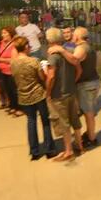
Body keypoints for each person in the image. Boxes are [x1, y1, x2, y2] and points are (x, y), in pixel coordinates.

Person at [10, 36, 57, 160]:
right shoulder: (33, 61)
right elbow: (42, 77)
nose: (30, 48)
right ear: (25, 47)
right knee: (45, 121)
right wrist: (45, 71)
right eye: (29, 46)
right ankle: (49, 149)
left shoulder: (13, 62)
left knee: (31, 122)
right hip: (38, 94)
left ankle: (34, 151)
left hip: (24, 95)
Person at [44, 28, 83, 162]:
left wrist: (47, 92)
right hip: (71, 91)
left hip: (58, 95)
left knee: (63, 123)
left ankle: (68, 151)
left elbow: (51, 76)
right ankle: (80, 144)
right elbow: (78, 68)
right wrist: (72, 81)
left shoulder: (53, 56)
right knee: (75, 120)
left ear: (49, 40)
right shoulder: (69, 52)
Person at [70, 27, 101, 147]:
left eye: (73, 35)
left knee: (88, 112)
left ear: (77, 37)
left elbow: (74, 59)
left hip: (86, 84)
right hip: (93, 82)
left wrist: (62, 52)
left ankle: (91, 138)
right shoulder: (89, 46)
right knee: (90, 111)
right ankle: (90, 133)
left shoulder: (81, 48)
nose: (72, 37)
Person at [0, 27, 21, 116]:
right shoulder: (2, 43)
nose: (3, 35)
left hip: (11, 71)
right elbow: (0, 52)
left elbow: (14, 59)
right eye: (2, 33)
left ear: (11, 33)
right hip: (3, 71)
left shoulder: (14, 44)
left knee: (14, 90)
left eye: (5, 33)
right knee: (8, 90)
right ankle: (13, 106)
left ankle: (19, 108)